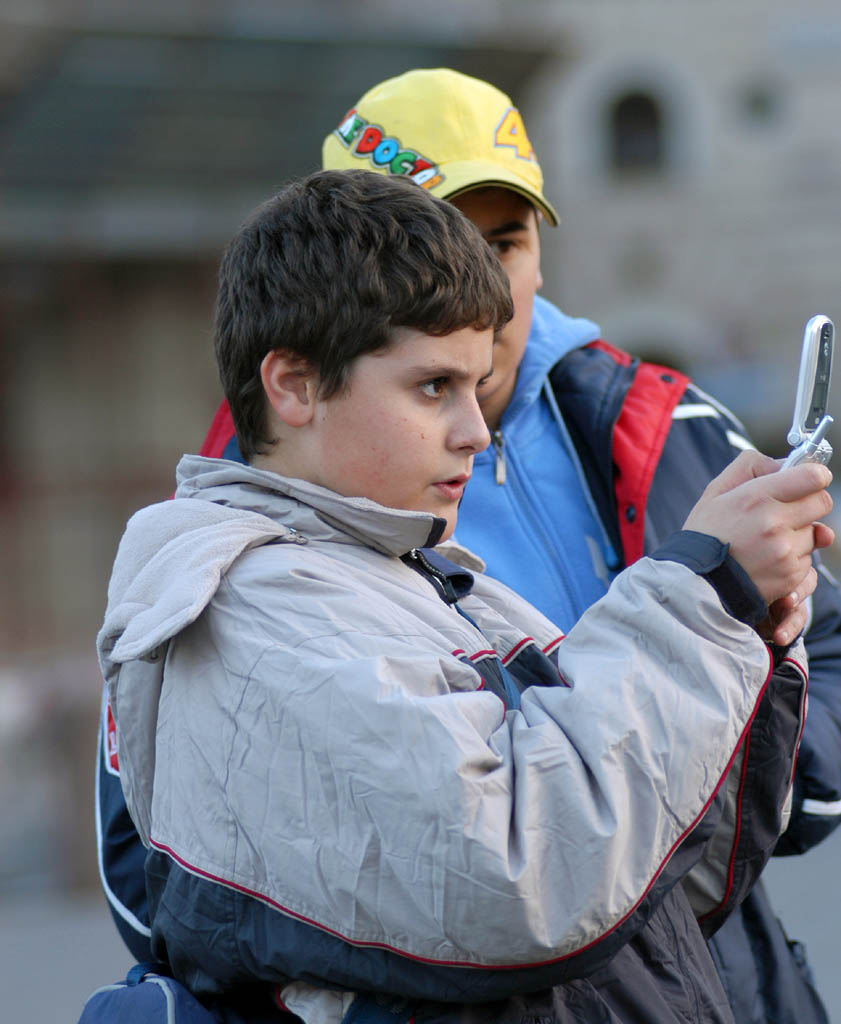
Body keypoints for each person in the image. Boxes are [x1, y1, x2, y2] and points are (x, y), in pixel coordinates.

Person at [95, 70, 841, 1021]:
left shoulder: (436, 567)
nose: (472, 432)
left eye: (504, 239)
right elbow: (524, 877)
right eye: (429, 387)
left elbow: (657, 865)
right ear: (291, 384)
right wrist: (700, 597)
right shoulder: (235, 592)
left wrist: (755, 628)